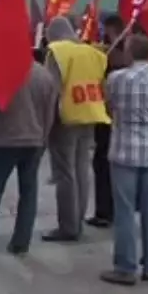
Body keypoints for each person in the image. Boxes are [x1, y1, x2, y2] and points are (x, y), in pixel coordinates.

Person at [100, 34, 148, 286]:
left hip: (124, 152)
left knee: (124, 211)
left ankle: (125, 267)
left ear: (130, 52)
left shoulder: (116, 79)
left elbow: (109, 109)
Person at [0, 52, 59, 255]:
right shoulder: (45, 75)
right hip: (34, 140)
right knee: (28, 192)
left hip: (6, 140)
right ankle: (21, 242)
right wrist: (43, 137)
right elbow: (50, 112)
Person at [43, 16, 109, 243]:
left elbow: (51, 89)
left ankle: (68, 226)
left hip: (65, 117)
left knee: (64, 172)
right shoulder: (93, 52)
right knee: (81, 169)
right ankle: (78, 219)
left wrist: (45, 122)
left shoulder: (57, 51)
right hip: (90, 114)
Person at [87, 15, 129, 229]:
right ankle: (115, 210)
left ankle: (104, 212)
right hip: (122, 123)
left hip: (107, 118)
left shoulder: (113, 59)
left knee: (102, 165)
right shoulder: (123, 57)